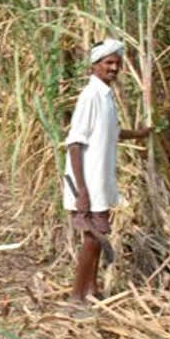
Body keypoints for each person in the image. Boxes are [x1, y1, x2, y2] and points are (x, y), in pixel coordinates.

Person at [63, 38, 151, 307]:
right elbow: (75, 144)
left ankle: (91, 289)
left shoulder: (105, 95)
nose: (113, 68)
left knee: (97, 238)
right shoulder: (90, 96)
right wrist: (82, 192)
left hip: (99, 183)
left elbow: (109, 133)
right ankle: (77, 298)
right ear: (95, 66)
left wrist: (138, 134)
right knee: (93, 238)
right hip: (88, 184)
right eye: (108, 63)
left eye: (117, 63)